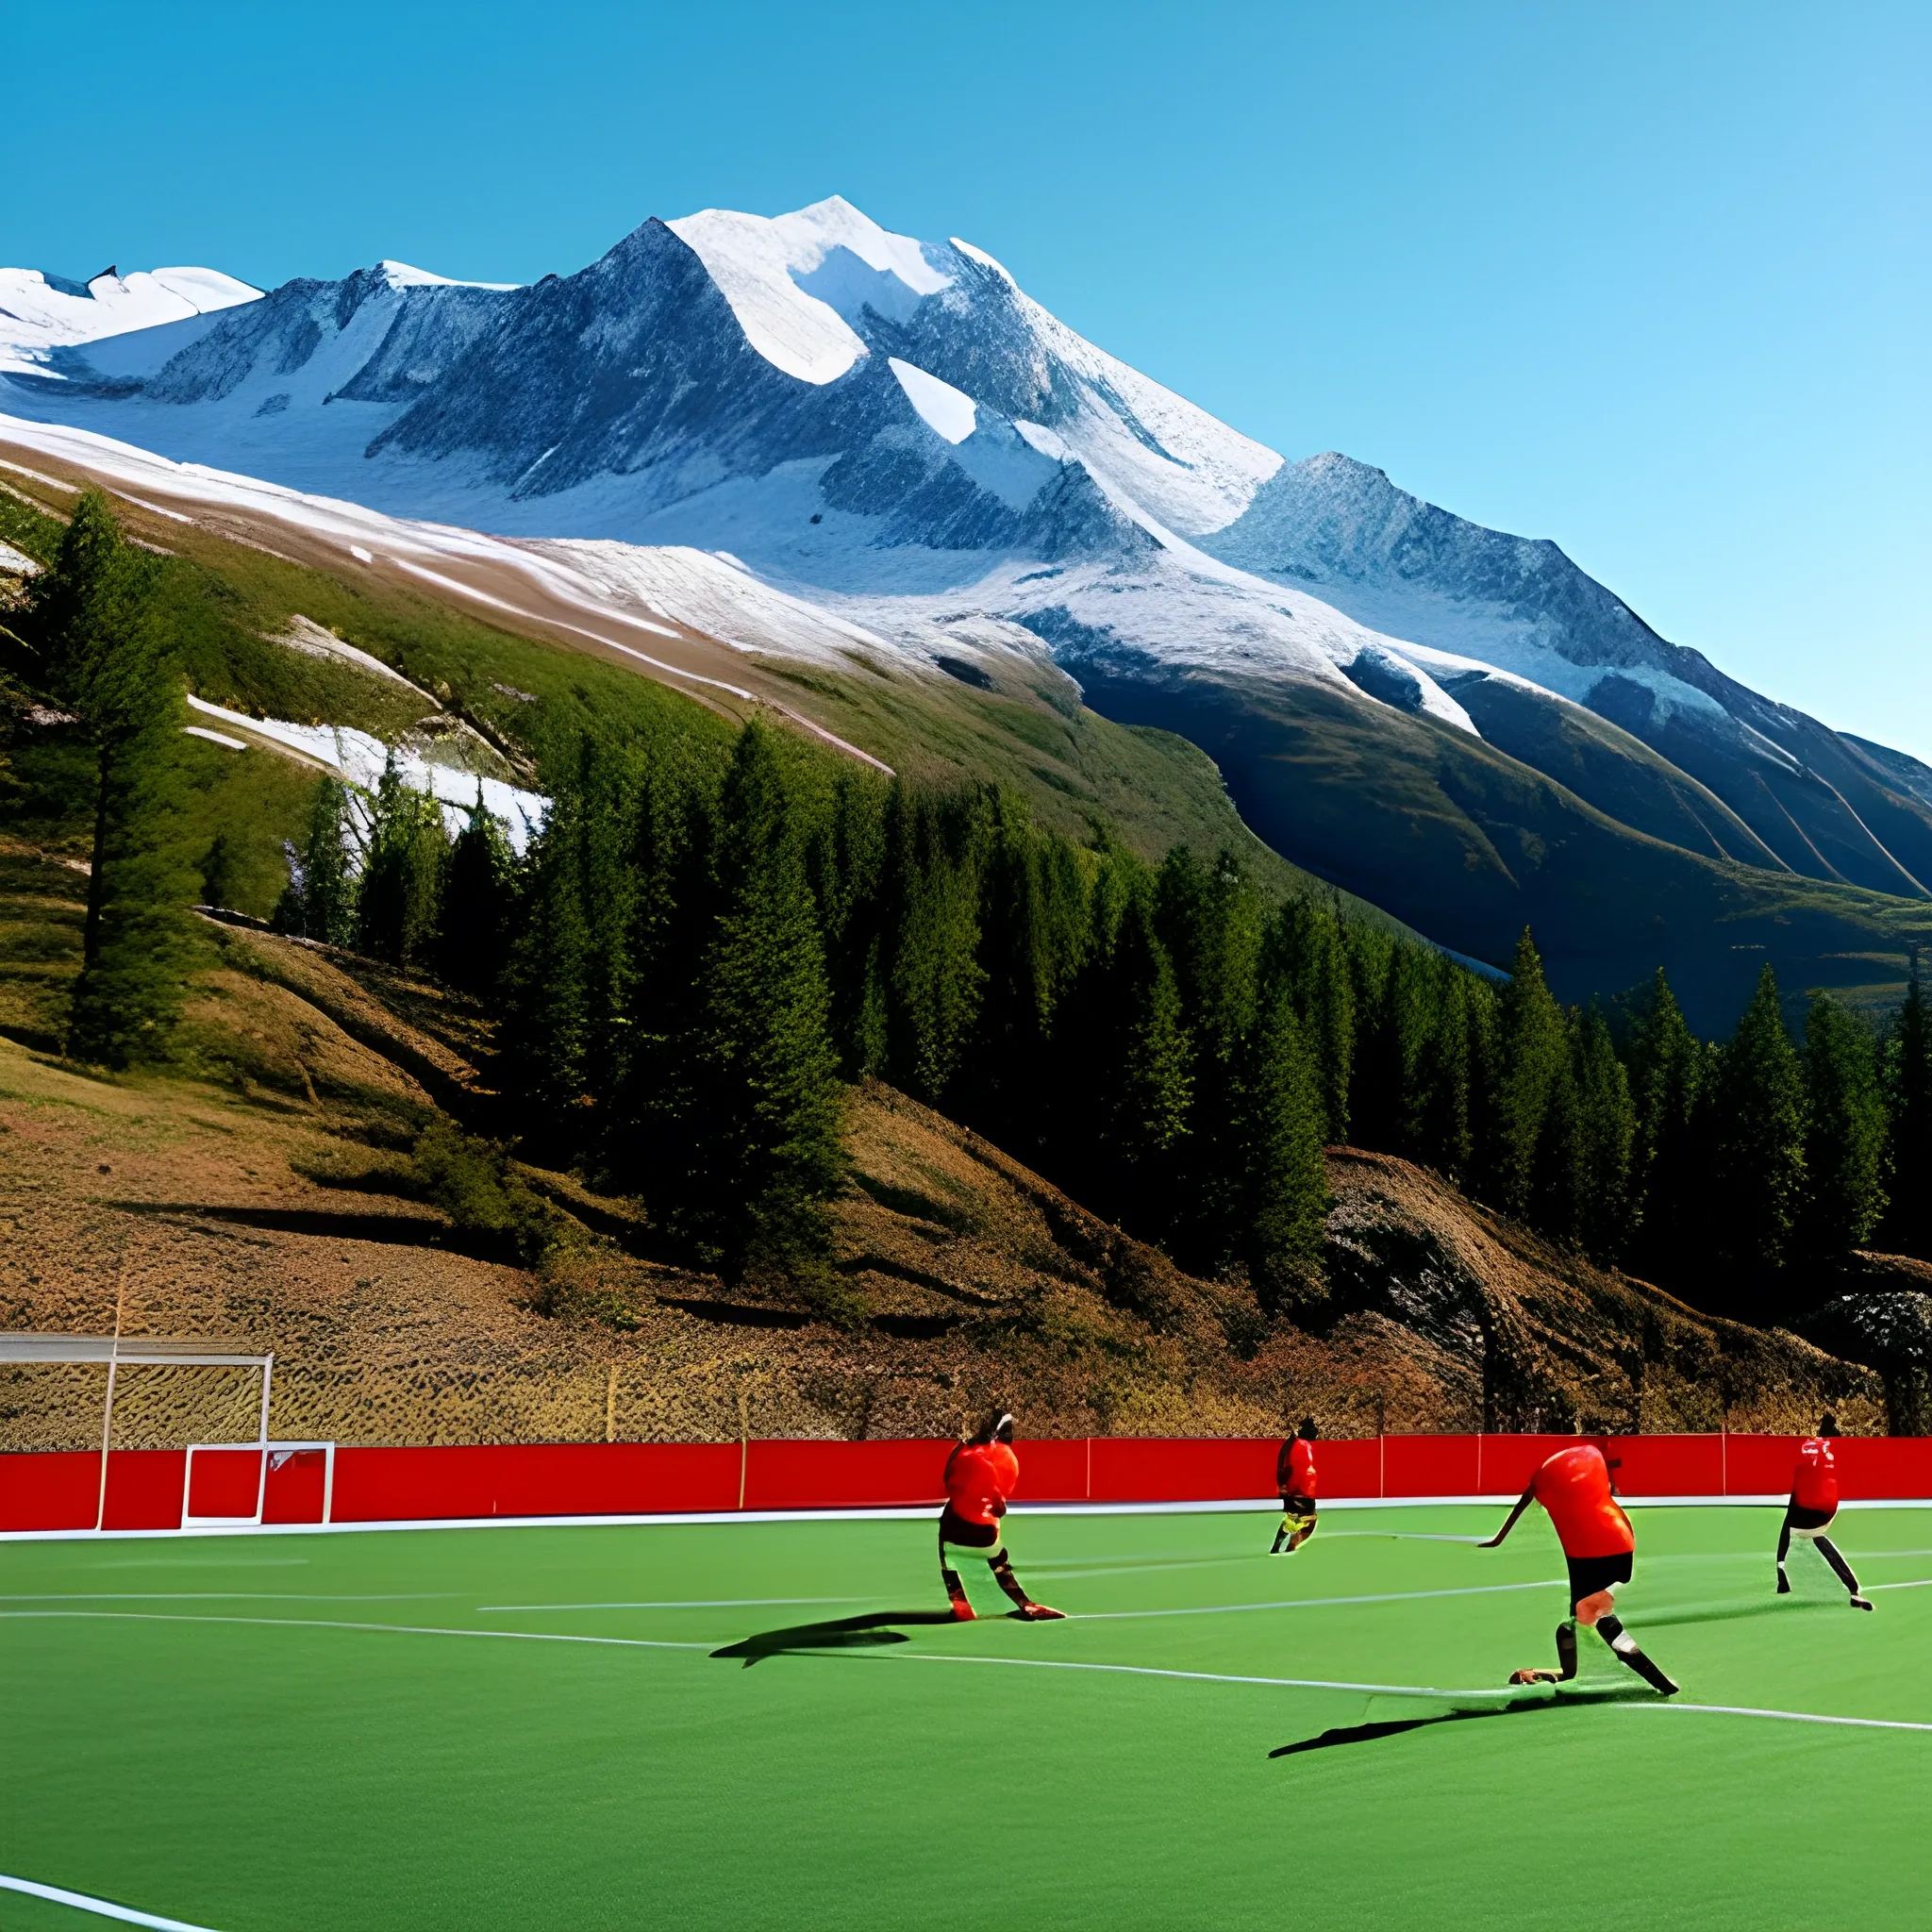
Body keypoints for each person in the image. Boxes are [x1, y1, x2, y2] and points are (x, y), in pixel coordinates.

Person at [1479, 1441, 1677, 1696]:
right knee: (1575, 1619)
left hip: (1586, 1552)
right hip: (1620, 1543)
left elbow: (1524, 1502)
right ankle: (1567, 1674)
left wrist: (1499, 1538)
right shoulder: (1591, 1461)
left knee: (1592, 1615)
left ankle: (1654, 1678)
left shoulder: (1545, 1481)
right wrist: (1498, 1538)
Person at [939, 1412, 1063, 1623]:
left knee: (947, 1561)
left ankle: (961, 1604)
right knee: (1000, 1565)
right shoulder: (1010, 1461)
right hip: (986, 1532)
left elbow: (948, 1480)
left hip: (956, 1526)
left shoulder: (969, 1456)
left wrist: (960, 1448)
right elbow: (1000, 1508)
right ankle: (1025, 1603)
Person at [1776, 1415, 1872, 1609]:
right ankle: (1853, 1590)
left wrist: (1780, 1563)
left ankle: (1781, 1568)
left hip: (1806, 1517)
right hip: (1828, 1511)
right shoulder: (1831, 1453)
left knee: (1795, 1524)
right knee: (1818, 1537)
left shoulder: (1806, 1455)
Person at [1270, 1417, 1319, 1554]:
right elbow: (1295, 1468)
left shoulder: (1294, 1444)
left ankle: (1277, 1546)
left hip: (1293, 1489)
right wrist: (1287, 1485)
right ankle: (1290, 1547)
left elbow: (1283, 1460)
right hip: (1301, 1490)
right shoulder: (1301, 1445)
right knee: (1309, 1520)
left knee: (1292, 1517)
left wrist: (1282, 1484)